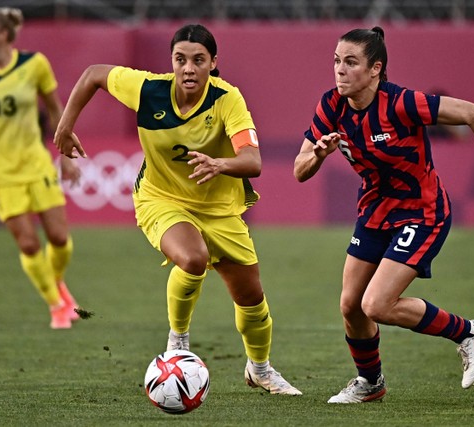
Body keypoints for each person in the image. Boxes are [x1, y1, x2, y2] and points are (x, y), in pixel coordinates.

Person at [54, 23, 301, 395]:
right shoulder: (148, 90)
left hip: (218, 208)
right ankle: (178, 343)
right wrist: (66, 124)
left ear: (213, 63)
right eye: (180, 59)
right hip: (161, 198)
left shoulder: (227, 99)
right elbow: (93, 75)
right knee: (193, 258)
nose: (188, 68)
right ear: (171, 62)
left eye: (198, 60)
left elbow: (253, 161)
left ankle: (260, 370)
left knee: (251, 297)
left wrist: (221, 164)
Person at [293, 27, 474, 403]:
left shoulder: (401, 103)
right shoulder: (331, 106)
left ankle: (469, 332)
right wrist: (318, 154)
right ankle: (370, 383)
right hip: (374, 212)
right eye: (336, 61)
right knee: (351, 305)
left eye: (351, 62)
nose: (339, 70)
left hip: (422, 212)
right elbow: (299, 170)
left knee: (376, 305)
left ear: (375, 70)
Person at [0, 7, 82, 329]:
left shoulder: (34, 64)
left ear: (2, 35)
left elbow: (54, 109)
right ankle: (56, 305)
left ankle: (57, 283)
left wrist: (65, 154)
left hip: (35, 165)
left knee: (60, 238)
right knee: (28, 244)